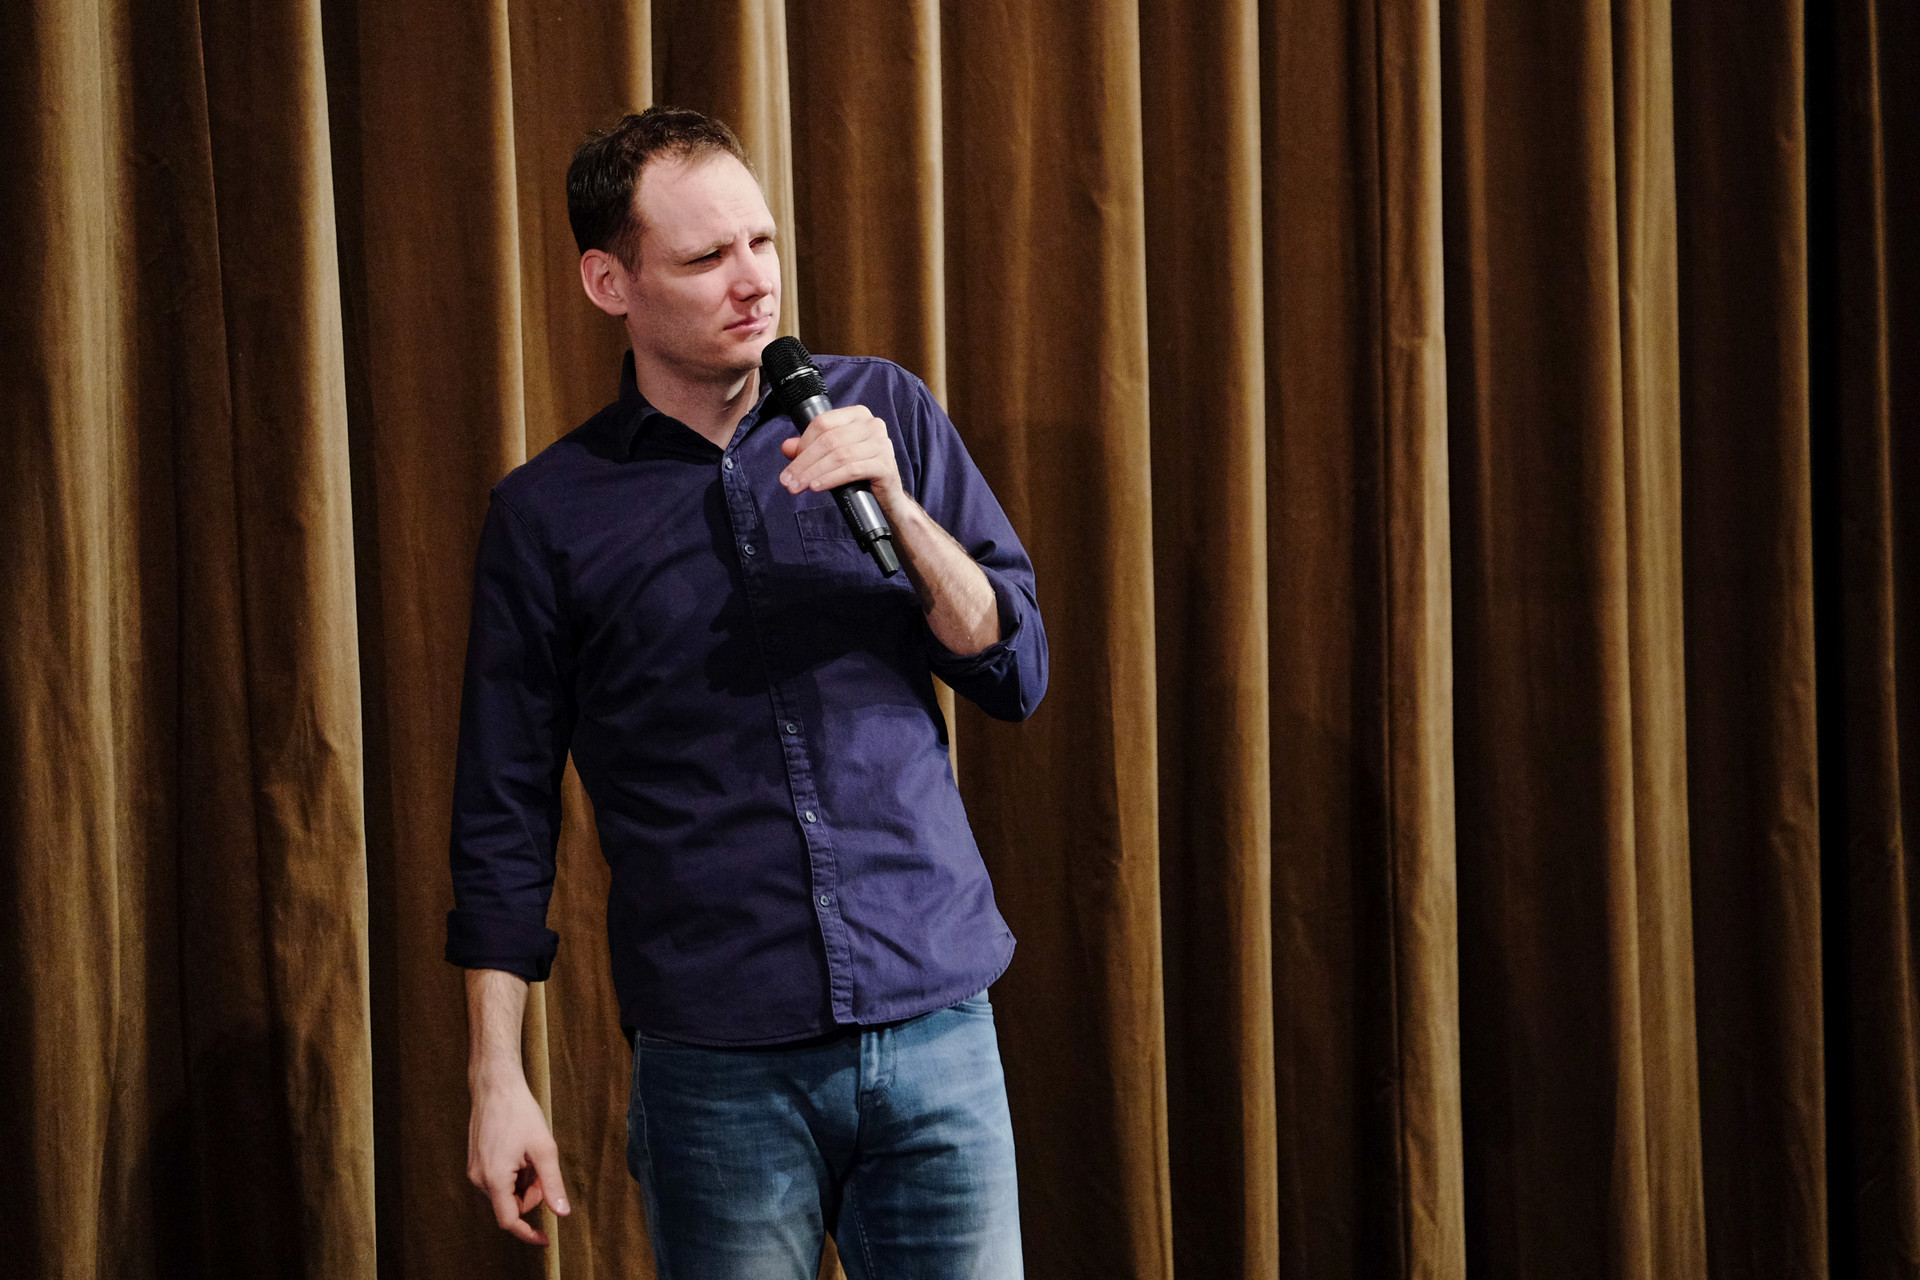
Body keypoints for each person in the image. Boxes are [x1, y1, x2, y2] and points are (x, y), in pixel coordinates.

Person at [445, 105, 1047, 1279]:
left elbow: (1012, 668)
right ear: (610, 282)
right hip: (719, 1064)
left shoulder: (884, 412)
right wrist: (496, 1074)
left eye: (762, 241)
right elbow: (502, 813)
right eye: (706, 256)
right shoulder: (550, 515)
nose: (754, 280)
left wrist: (900, 507)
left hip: (934, 1024)